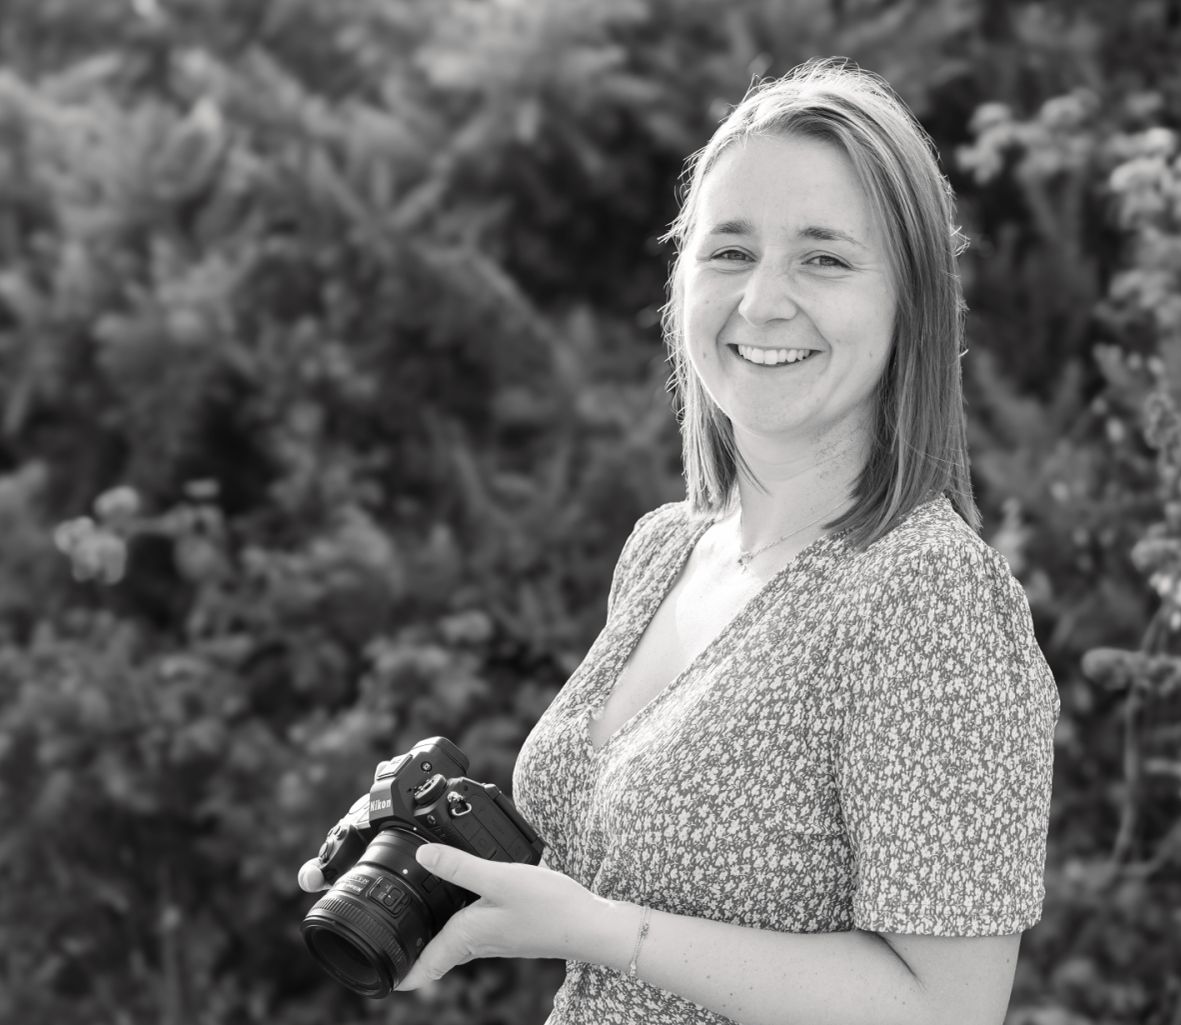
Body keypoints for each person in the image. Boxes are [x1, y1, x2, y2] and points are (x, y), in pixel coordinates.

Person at [302, 57, 1058, 1025]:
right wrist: (431, 864)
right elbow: (628, 874)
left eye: (822, 258)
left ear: (910, 300)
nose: (763, 300)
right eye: (729, 251)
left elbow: (944, 1008)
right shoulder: (666, 551)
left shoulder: (925, 593)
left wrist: (600, 928)